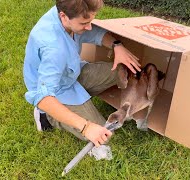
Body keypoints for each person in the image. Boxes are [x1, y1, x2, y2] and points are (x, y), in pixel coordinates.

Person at [23, 0, 141, 147]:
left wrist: (116, 46)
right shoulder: (54, 49)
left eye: (91, 20)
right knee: (102, 134)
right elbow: (43, 97)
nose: (89, 27)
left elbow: (95, 32)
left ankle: (80, 99)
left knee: (122, 71)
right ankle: (47, 116)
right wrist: (86, 127)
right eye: (84, 23)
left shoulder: (69, 12)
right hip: (55, 91)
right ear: (63, 16)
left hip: (70, 72)